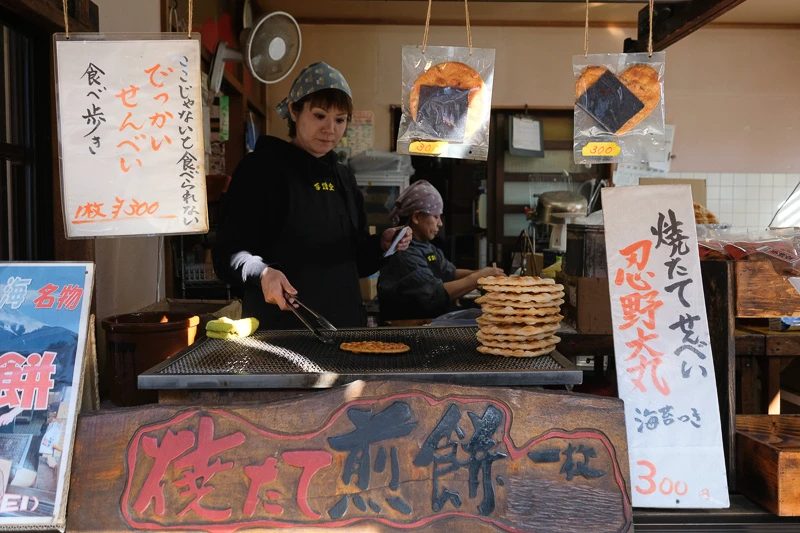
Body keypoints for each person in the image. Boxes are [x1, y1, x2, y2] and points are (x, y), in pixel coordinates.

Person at [213, 62, 411, 329]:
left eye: (340, 120)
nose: (330, 129)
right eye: (319, 116)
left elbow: (357, 261)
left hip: (344, 328)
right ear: (294, 110)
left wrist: (381, 245)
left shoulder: (343, 177)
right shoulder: (261, 169)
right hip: (281, 330)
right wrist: (262, 273)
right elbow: (227, 253)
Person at [378, 180, 503, 320]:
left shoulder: (427, 247)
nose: (440, 223)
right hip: (407, 329)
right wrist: (479, 278)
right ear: (417, 217)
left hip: (428, 323)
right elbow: (435, 294)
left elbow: (450, 272)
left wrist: (485, 273)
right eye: (436, 216)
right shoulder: (404, 253)